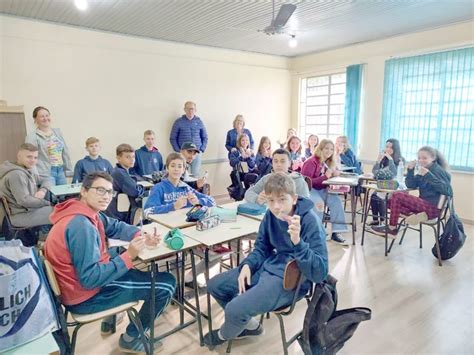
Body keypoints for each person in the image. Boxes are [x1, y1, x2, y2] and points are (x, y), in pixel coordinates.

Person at [44, 172, 175, 353]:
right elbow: (90, 278)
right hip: (86, 296)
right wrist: (129, 256)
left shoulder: (82, 212)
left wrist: (141, 235)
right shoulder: (81, 226)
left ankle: (109, 322)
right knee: (166, 284)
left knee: (122, 258)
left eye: (109, 192)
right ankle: (131, 338)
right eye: (100, 190)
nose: (106, 196)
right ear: (83, 191)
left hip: (78, 287)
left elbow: (115, 226)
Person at [203, 172, 328, 346]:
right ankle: (250, 326)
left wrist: (298, 243)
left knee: (234, 309)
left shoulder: (310, 221)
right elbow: (261, 247)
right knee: (215, 286)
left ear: (294, 198)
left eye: (282, 199)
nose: (276, 206)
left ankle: (224, 335)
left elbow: (320, 272)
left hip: (292, 280)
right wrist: (248, 265)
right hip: (268, 266)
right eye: (271, 201)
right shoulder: (271, 215)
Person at [372, 146, 453, 236]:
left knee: (397, 195)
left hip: (433, 208)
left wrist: (428, 175)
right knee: (389, 201)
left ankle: (392, 228)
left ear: (433, 158)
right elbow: (411, 185)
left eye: (424, 158)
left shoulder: (438, 171)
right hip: (424, 205)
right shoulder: (424, 169)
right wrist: (410, 170)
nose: (421, 160)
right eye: (419, 158)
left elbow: (448, 191)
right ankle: (417, 215)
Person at [0, 143, 52, 244]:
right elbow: (24, 201)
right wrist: (46, 203)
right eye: (29, 157)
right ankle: (52, 244)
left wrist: (42, 190)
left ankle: (49, 240)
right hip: (20, 215)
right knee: (61, 213)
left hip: (28, 211)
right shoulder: (16, 174)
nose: (33, 160)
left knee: (61, 211)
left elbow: (46, 179)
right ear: (19, 156)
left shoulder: (26, 170)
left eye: (35, 157)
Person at [301, 139, 349, 245]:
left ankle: (337, 233)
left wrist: (333, 174)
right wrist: (325, 176)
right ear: (320, 149)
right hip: (309, 189)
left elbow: (324, 178)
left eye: (331, 149)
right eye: (326, 148)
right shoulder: (311, 161)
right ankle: (316, 233)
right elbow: (306, 182)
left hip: (321, 189)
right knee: (319, 204)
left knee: (337, 202)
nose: (329, 151)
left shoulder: (325, 162)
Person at [144, 153, 215, 215]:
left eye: (180, 166)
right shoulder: (158, 188)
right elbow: (147, 211)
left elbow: (212, 201)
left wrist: (198, 202)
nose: (176, 169)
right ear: (167, 168)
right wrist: (173, 206)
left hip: (182, 225)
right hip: (164, 227)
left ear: (183, 170)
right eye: (173, 166)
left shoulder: (185, 188)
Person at [25, 106, 72, 185]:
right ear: (35, 119)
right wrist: (35, 176)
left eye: (47, 115)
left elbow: (65, 152)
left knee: (63, 196)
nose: (45, 118)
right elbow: (30, 157)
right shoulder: (32, 136)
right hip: (45, 173)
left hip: (60, 170)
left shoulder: (57, 132)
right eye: (42, 116)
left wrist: (68, 170)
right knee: (51, 197)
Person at [245, 148, 309, 205]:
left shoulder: (297, 180)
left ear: (289, 163)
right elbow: (249, 192)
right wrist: (257, 199)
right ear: (272, 163)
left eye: (282, 161)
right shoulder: (267, 178)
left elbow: (305, 203)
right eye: (275, 161)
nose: (279, 165)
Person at [106, 144, 145, 223]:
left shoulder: (122, 171)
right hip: (117, 215)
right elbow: (135, 191)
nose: (132, 160)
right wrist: (141, 187)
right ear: (118, 158)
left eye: (133, 157)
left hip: (121, 211)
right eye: (127, 157)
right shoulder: (119, 173)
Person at [370, 138, 403, 226]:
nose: (387, 149)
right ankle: (375, 220)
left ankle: (382, 221)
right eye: (386, 146)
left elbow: (393, 173)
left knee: (380, 197)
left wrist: (390, 160)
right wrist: (378, 161)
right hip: (383, 184)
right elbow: (375, 171)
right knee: (373, 196)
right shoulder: (384, 159)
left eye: (390, 147)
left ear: (395, 149)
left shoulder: (399, 160)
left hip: (394, 186)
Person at [169, 101, 208, 175]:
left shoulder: (199, 122)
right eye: (188, 109)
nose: (190, 111)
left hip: (196, 154)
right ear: (184, 109)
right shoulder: (178, 122)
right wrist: (179, 150)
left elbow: (205, 137)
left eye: (192, 109)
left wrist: (202, 149)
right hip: (183, 154)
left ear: (195, 110)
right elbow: (172, 138)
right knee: (182, 175)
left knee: (195, 175)